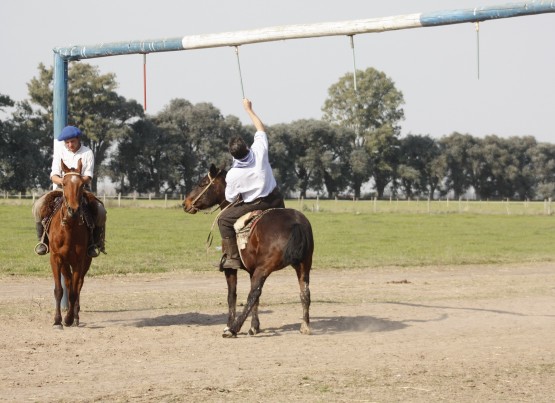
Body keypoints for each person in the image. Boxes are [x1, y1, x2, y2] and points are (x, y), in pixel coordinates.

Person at [217, 99, 285, 270]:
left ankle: (232, 258)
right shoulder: (260, 151)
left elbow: (230, 197)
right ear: (247, 147)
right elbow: (260, 128)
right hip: (277, 200)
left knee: (223, 220)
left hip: (256, 205)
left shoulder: (233, 174)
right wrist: (249, 109)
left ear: (233, 155)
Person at [32, 125, 106, 258]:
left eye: (72, 141)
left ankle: (94, 243)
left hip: (81, 189)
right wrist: (64, 183)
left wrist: (75, 182)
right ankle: (43, 241)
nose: (70, 145)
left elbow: (88, 177)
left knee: (100, 211)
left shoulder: (87, 152)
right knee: (38, 206)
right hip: (60, 189)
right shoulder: (60, 153)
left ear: (78, 139)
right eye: (67, 142)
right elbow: (54, 175)